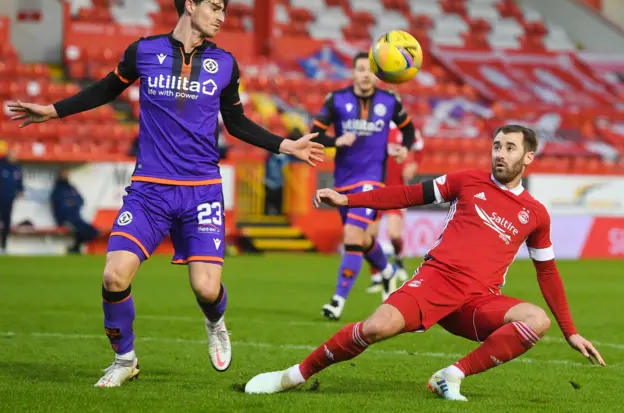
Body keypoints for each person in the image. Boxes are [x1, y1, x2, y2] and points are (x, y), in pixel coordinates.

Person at [8, 0, 324, 388]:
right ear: (189, 5)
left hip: (202, 193)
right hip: (149, 191)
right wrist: (53, 110)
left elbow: (237, 123)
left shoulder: (225, 63)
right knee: (113, 276)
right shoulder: (143, 52)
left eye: (225, 10)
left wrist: (288, 146)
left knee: (207, 289)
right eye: (215, 7)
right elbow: (104, 91)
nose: (221, 16)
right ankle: (125, 360)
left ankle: (215, 322)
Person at [244, 125, 605, 400]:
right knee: (374, 329)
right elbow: (407, 194)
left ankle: (451, 375)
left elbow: (548, 271)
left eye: (510, 148)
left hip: (478, 301)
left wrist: (570, 331)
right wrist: (348, 200)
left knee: (535, 321)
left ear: (528, 157)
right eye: (496, 146)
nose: (500, 153)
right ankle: (292, 376)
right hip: (436, 282)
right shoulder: (467, 181)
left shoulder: (536, 214)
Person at [310, 51, 415, 320]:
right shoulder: (337, 99)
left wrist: (404, 149)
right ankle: (388, 271)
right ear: (353, 73)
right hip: (343, 180)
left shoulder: (389, 100)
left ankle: (337, 301)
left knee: (353, 237)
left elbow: (410, 129)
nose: (365, 74)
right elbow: (316, 134)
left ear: (377, 74)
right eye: (360, 69)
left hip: (371, 180)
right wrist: (337, 141)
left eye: (370, 70)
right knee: (364, 239)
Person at [367, 127, 424, 292]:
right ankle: (376, 275)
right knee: (370, 236)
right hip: (376, 188)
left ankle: (398, 259)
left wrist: (414, 165)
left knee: (394, 234)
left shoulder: (405, 128)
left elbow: (419, 147)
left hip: (397, 189)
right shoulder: (376, 126)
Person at [50, 168, 99, 254]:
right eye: (63, 174)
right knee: (80, 229)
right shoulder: (57, 190)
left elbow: (81, 200)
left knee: (94, 231)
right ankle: (75, 248)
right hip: (65, 219)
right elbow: (60, 206)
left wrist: (72, 203)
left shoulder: (72, 188)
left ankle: (75, 247)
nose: (66, 176)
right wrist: (70, 205)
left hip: (76, 217)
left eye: (66, 174)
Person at [0, 150, 23, 255]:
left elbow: (19, 182)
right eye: (12, 156)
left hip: (9, 201)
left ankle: (3, 246)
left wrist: (20, 190)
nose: (14, 158)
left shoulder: (17, 168)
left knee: (6, 224)